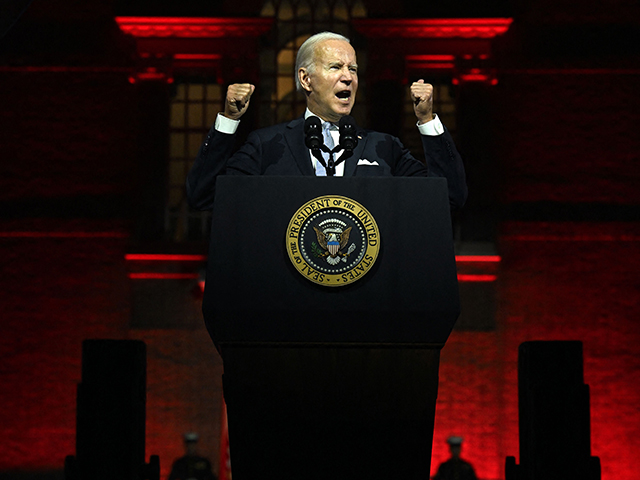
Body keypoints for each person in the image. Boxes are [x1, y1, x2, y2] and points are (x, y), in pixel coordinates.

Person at [186, 31, 467, 211]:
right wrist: (229, 120)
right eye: (336, 67)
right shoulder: (268, 145)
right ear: (305, 79)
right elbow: (204, 195)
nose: (348, 77)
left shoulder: (384, 147)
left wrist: (427, 121)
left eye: (353, 69)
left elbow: (450, 197)